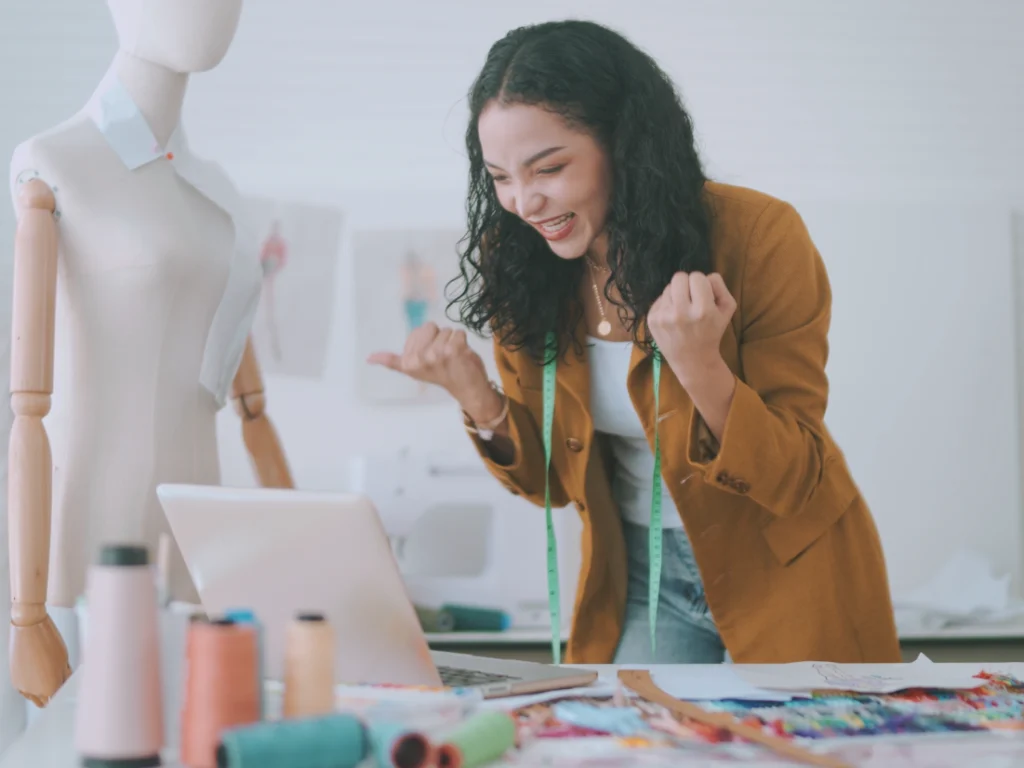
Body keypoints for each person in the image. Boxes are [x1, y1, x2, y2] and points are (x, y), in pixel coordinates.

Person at [369, 19, 901, 666]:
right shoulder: (520, 262)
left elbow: (796, 476)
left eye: (550, 168)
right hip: (642, 579)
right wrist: (475, 396)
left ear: (624, 144)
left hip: (786, 569)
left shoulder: (760, 237)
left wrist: (702, 366)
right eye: (500, 176)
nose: (524, 201)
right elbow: (552, 487)